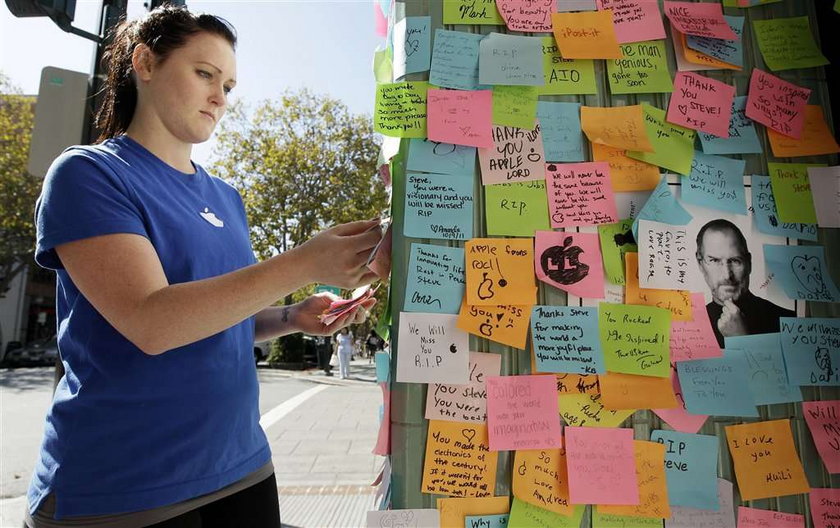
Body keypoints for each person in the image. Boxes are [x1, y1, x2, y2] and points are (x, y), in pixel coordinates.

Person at [25, 6, 380, 527]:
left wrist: (291, 317)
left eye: (229, 86)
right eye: (204, 74)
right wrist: (305, 260)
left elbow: (219, 318)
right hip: (124, 490)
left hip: (243, 468)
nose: (220, 97)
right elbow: (152, 321)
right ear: (145, 63)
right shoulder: (88, 174)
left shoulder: (226, 197)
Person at [695, 219, 795, 347]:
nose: (727, 275)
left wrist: (740, 338)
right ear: (700, 264)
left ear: (749, 263)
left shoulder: (788, 321)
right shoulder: (685, 328)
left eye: (735, 261)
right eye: (714, 260)